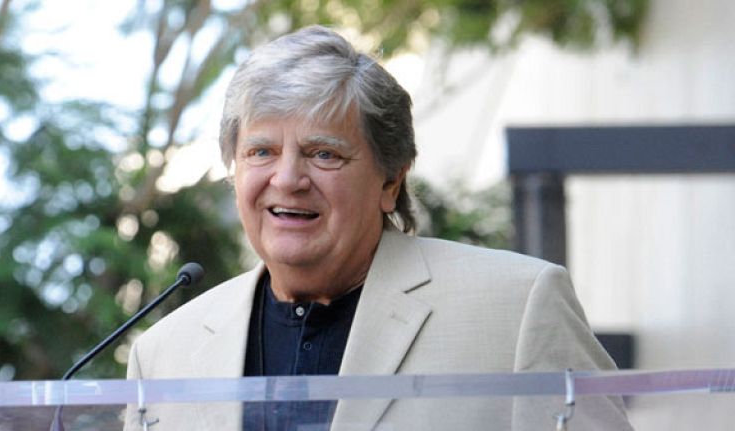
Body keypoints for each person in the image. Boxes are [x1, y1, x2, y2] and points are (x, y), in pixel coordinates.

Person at [125, 25, 631, 430]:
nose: (288, 179)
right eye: (261, 152)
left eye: (324, 153)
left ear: (391, 180)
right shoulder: (164, 352)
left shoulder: (518, 306)